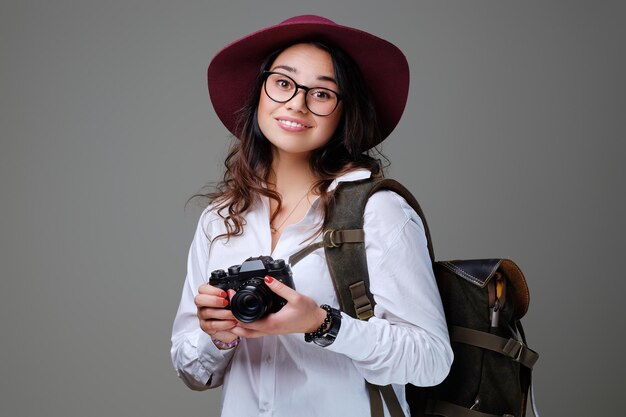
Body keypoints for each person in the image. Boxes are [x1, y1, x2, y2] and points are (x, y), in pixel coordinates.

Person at [171, 15, 453, 417]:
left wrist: (323, 324)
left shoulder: (377, 210)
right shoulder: (220, 219)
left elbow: (431, 360)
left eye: (322, 94)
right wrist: (216, 335)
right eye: (283, 83)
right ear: (260, 93)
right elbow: (192, 372)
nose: (296, 103)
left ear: (343, 112)